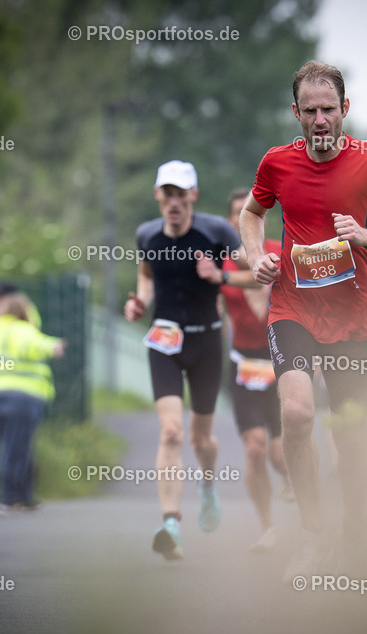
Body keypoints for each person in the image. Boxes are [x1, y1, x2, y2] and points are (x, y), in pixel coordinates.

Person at [238, 60, 367, 581]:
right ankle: (314, 536)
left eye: (329, 109)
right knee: (297, 415)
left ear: (345, 110)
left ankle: (356, 530)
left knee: (350, 436)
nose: (320, 119)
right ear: (295, 113)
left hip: (354, 321)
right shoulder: (277, 162)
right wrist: (256, 258)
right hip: (292, 306)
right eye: (310, 111)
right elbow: (252, 214)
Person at [125, 160, 245, 561]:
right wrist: (139, 298)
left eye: (181, 194)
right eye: (167, 194)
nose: (174, 202)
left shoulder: (217, 232)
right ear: (158, 196)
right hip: (164, 341)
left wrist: (221, 278)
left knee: (200, 440)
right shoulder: (146, 234)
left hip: (207, 343)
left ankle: (207, 486)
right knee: (172, 433)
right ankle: (171, 522)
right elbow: (145, 273)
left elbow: (256, 272)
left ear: (193, 196)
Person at [218, 188, 295, 553]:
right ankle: (267, 528)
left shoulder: (278, 253)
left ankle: (293, 482)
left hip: (280, 361)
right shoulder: (222, 263)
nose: (241, 217)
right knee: (254, 449)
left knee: (280, 454)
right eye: (235, 212)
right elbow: (213, 304)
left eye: (247, 211)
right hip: (243, 364)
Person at [0, 292, 65, 514]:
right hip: (20, 396)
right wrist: (53, 346)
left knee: (12, 446)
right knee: (16, 448)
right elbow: (31, 345)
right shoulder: (22, 329)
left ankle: (23, 496)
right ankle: (10, 498)